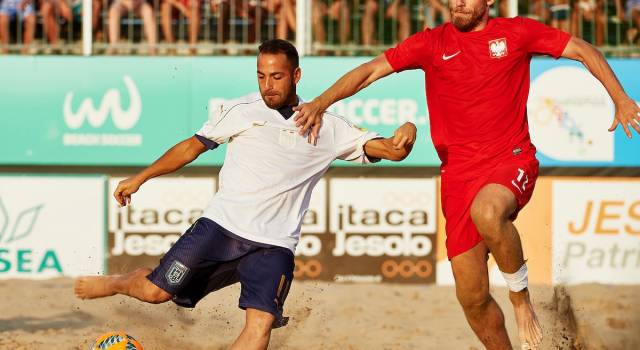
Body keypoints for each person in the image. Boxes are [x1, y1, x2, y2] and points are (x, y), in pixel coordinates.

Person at [292, 0, 640, 348]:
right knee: (472, 299)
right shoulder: (431, 43)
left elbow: (582, 49)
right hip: (458, 176)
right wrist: (320, 103)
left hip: (511, 159)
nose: (457, 2)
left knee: (488, 212)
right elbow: (369, 70)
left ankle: (521, 300)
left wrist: (621, 98)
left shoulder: (516, 32)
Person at [74, 39, 417, 350]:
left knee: (260, 327)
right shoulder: (242, 111)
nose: (268, 86)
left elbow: (391, 150)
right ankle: (117, 282)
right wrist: (141, 177)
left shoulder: (329, 127)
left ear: (296, 75)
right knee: (155, 292)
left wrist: (408, 132)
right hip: (220, 228)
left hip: (274, 246)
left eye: (277, 77)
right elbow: (191, 148)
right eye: (261, 76)